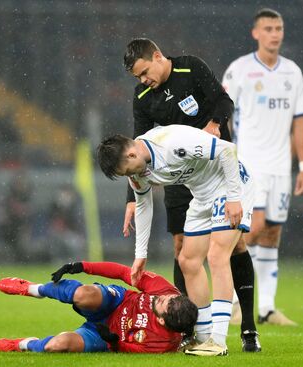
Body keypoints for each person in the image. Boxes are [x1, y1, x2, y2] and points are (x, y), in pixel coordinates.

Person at [122, 38, 259, 351]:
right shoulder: (143, 95)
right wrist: (132, 200)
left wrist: (214, 123)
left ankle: (248, 328)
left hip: (216, 165)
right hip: (180, 175)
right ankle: (189, 329)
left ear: (157, 56)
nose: (143, 80)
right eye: (137, 77)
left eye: (145, 72)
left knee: (233, 245)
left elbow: (224, 103)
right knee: (183, 249)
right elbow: (134, 149)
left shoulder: (190, 66)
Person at [97, 124, 256, 356]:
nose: (130, 177)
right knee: (188, 261)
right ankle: (203, 338)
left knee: (217, 255)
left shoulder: (173, 142)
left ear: (132, 154)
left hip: (231, 184)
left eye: (127, 170)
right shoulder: (139, 170)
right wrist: (140, 255)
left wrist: (233, 197)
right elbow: (143, 205)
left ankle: (218, 341)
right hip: (202, 193)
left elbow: (227, 150)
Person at [222, 8, 303, 326]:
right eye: (269, 28)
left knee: (272, 233)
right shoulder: (240, 70)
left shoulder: (293, 73)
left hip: (280, 168)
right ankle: (232, 302)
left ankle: (267, 308)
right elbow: (221, 113)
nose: (275, 33)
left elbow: (300, 121)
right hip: (249, 165)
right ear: (256, 33)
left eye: (279, 28)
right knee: (250, 230)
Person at [0, 260, 198, 353]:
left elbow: (127, 348)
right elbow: (123, 273)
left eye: (162, 304)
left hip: (102, 335)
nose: (161, 298)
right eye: (168, 298)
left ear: (162, 320)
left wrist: (113, 340)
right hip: (116, 301)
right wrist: (82, 266)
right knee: (83, 294)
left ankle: (21, 345)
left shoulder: (161, 345)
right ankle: (34, 289)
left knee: (57, 346)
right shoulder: (164, 290)